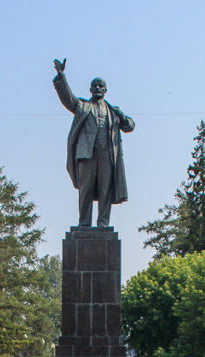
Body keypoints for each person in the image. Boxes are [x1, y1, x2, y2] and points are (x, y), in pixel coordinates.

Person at [53, 58, 135, 229]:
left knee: (106, 190)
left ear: (105, 90)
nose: (97, 88)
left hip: (107, 155)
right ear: (90, 89)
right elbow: (68, 99)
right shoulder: (82, 106)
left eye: (101, 86)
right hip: (86, 154)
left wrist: (123, 116)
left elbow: (130, 127)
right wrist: (61, 77)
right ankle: (84, 223)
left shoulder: (113, 111)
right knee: (86, 190)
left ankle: (103, 223)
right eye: (94, 86)